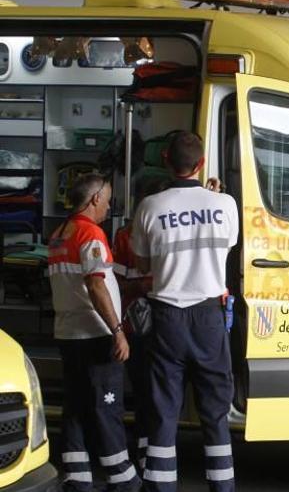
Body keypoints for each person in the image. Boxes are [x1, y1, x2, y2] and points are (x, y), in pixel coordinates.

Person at [131, 132, 239, 492]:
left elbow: (141, 262)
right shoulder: (225, 204)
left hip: (167, 318)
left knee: (164, 410)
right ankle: (222, 488)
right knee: (215, 414)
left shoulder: (150, 206)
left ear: (165, 159)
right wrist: (214, 195)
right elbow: (229, 244)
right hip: (209, 317)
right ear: (202, 163)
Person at [47, 174, 140, 492]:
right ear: (95, 199)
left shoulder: (60, 234)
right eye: (108, 198)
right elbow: (96, 283)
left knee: (75, 405)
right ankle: (123, 479)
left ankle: (77, 477)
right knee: (106, 406)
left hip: (69, 334)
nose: (110, 205)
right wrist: (117, 330)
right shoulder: (91, 233)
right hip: (96, 336)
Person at [112, 176, 167, 472]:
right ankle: (148, 455)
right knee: (152, 394)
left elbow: (121, 283)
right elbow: (120, 283)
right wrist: (151, 284)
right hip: (149, 322)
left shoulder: (128, 233)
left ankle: (146, 452)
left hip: (142, 322)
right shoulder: (130, 235)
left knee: (149, 393)